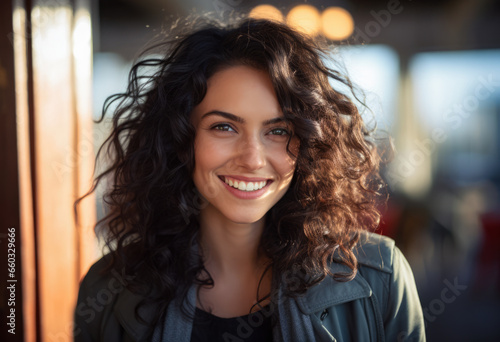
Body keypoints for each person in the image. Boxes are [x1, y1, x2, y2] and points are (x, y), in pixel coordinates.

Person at [74, 16, 425, 342]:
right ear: (180, 140)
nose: (253, 159)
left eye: (278, 130)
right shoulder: (108, 288)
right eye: (223, 127)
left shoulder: (381, 277)